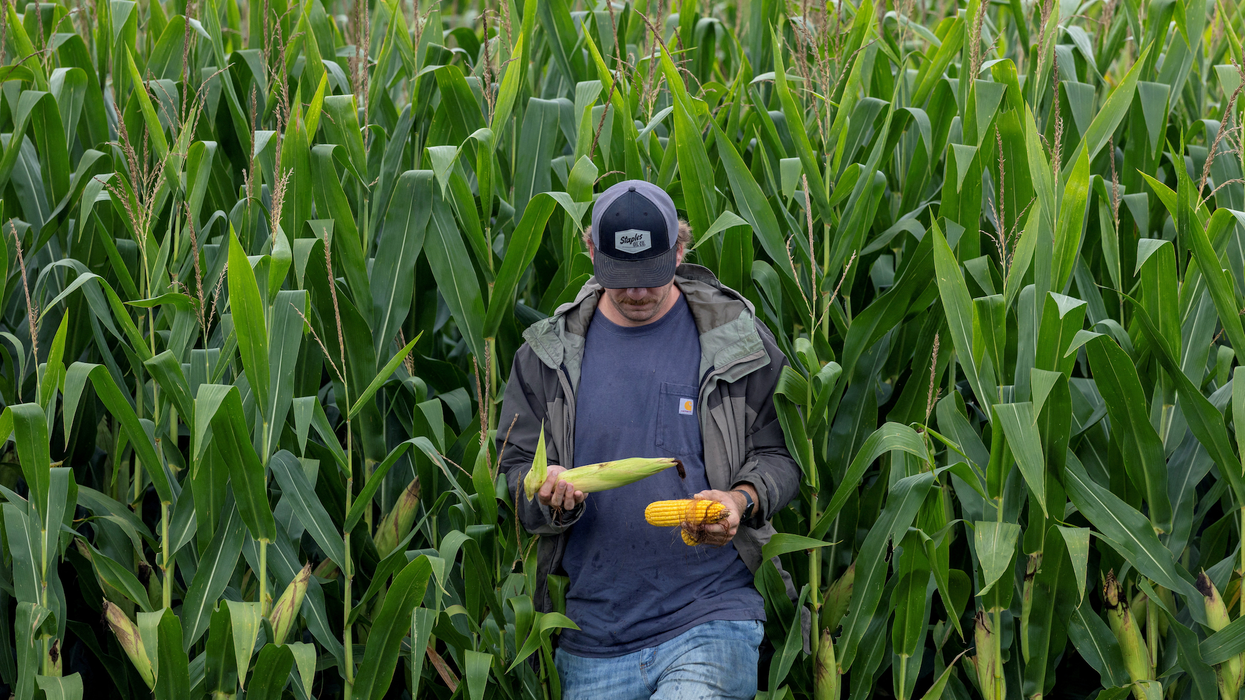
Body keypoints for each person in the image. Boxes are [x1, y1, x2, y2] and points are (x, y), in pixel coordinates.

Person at [497, 180, 800, 699]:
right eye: (621, 277)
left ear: (680, 249)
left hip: (710, 614)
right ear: (591, 250)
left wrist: (739, 499)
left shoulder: (737, 341)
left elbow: (781, 456)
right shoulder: (546, 358)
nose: (637, 292)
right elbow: (512, 472)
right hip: (593, 638)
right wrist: (546, 497)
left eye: (651, 277)